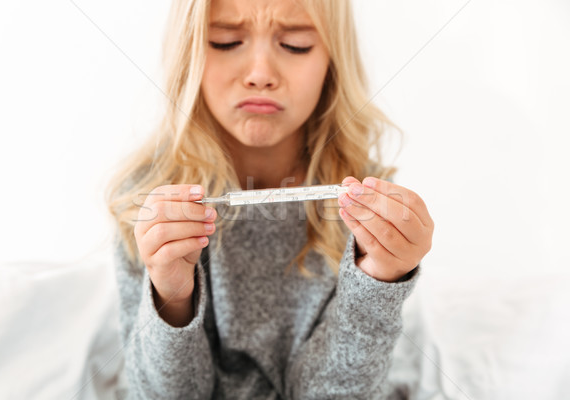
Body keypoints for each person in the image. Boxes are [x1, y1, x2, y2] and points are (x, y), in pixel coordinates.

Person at [104, 0, 434, 398]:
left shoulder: (366, 207)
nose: (260, 74)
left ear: (333, 61)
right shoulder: (148, 201)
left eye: (295, 45)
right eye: (225, 41)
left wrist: (379, 280)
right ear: (189, 50)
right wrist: (170, 293)